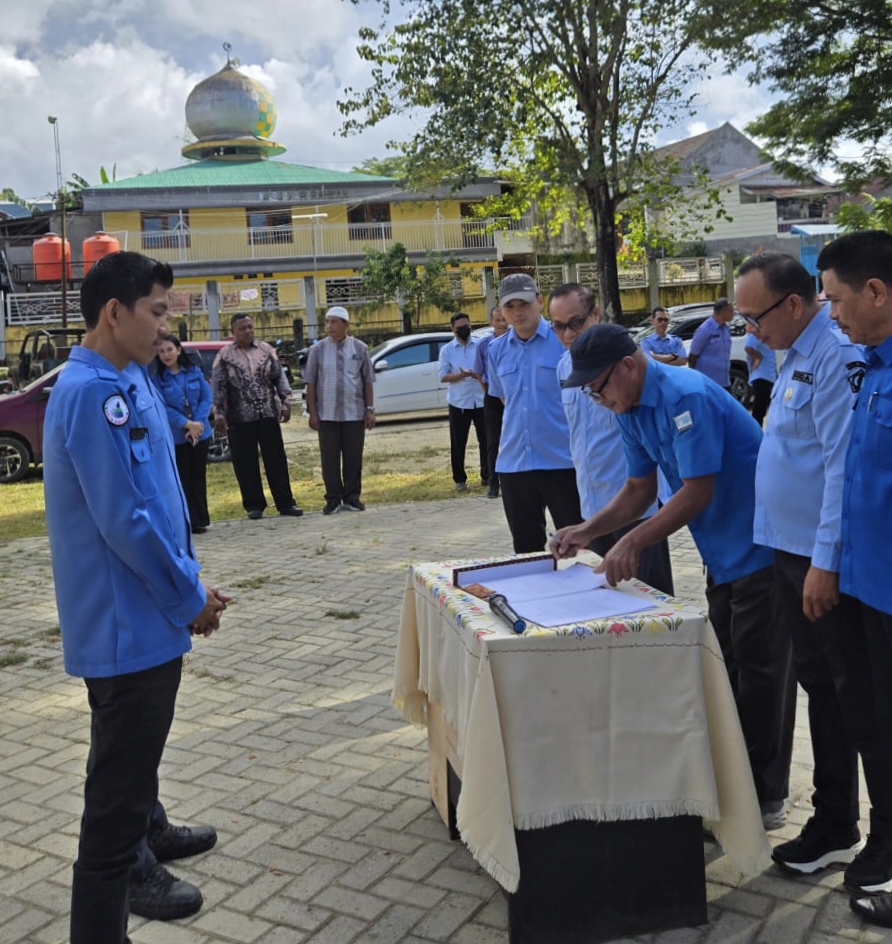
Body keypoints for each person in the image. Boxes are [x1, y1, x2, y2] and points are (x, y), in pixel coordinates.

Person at [42, 251, 228, 943]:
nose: (166, 327)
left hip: (146, 609)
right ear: (113, 313)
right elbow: (125, 521)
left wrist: (191, 581)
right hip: (128, 626)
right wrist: (189, 598)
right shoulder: (96, 393)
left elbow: (158, 499)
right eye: (156, 313)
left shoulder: (125, 376)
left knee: (130, 769)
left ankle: (150, 829)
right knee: (111, 809)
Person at [551, 323, 793, 829]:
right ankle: (733, 781)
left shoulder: (687, 396)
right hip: (722, 551)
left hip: (762, 545)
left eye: (598, 388)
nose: (597, 400)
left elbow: (696, 491)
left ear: (628, 366)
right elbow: (640, 489)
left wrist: (634, 541)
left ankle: (764, 797)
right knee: (727, 668)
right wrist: (588, 530)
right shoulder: (630, 407)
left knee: (762, 672)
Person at [737, 251, 892, 894]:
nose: (749, 329)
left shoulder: (839, 358)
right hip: (793, 554)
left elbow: (841, 470)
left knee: (856, 699)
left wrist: (824, 563)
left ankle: (854, 825)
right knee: (823, 691)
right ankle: (836, 820)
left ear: (793, 305)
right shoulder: (792, 354)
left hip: (826, 563)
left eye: (756, 315)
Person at [816, 230, 892, 928]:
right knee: (879, 729)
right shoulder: (870, 367)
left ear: (876, 291)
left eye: (836, 300)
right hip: (868, 589)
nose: (830, 314)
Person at [550, 283, 673, 594]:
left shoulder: (626, 365)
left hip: (635, 507)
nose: (568, 334)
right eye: (558, 326)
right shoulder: (565, 368)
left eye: (576, 323)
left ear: (595, 313)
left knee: (650, 605)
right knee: (605, 607)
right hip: (592, 505)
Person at [487, 273, 581, 553]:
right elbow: (504, 398)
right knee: (526, 551)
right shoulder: (495, 350)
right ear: (501, 310)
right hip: (515, 464)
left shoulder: (563, 342)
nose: (518, 312)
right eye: (510, 306)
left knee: (579, 546)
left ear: (539, 302)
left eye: (524, 303)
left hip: (562, 461)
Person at [212, 313, 303, 520]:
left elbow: (279, 378)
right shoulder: (224, 356)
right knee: (245, 463)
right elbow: (218, 387)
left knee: (276, 460)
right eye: (243, 328)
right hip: (239, 417)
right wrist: (218, 413)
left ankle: (286, 503)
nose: (248, 331)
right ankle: (254, 505)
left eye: (250, 327)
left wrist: (286, 403)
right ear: (232, 332)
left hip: (268, 414)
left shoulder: (267, 350)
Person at [303, 306, 376, 514]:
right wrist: (313, 413)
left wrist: (370, 409)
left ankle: (352, 498)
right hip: (327, 415)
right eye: (326, 322)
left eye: (333, 322)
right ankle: (333, 499)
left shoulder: (360, 348)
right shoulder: (317, 350)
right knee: (330, 458)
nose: (329, 326)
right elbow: (311, 383)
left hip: (354, 413)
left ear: (345, 324)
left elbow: (368, 381)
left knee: (354, 457)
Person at [152, 336, 213, 533]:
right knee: (182, 479)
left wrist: (198, 424)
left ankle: (201, 518)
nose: (166, 355)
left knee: (198, 477)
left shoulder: (194, 371)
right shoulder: (158, 379)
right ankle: (188, 520)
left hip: (200, 434)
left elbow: (206, 397)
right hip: (177, 436)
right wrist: (186, 424)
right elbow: (162, 407)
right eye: (161, 352)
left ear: (178, 350)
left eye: (169, 350)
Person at [438, 311, 487, 491]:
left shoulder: (480, 345)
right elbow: (443, 376)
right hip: (459, 403)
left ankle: (487, 476)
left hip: (481, 400)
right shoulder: (447, 350)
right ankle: (460, 480)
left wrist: (476, 374)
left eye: (467, 326)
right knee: (458, 443)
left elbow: (487, 370)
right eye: (460, 328)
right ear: (453, 330)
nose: (464, 330)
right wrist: (461, 375)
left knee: (486, 440)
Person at [473, 304, 509, 498]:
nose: (501, 323)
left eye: (504, 319)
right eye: (498, 320)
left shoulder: (516, 341)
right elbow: (478, 372)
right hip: (492, 397)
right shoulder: (484, 345)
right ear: (491, 322)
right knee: (492, 441)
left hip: (513, 395)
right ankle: (493, 484)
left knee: (514, 439)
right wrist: (487, 390)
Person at [689, 296, 733, 390]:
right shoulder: (705, 329)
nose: (734, 313)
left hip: (724, 381)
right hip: (708, 383)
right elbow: (693, 356)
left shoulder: (726, 329)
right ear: (723, 311)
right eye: (731, 310)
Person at [744, 330, 777, 427]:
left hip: (769, 375)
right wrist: (758, 357)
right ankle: (756, 434)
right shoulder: (756, 330)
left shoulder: (766, 328)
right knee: (759, 409)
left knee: (765, 408)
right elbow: (748, 347)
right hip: (762, 375)